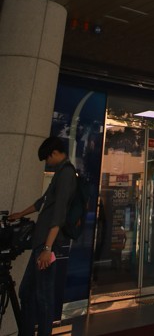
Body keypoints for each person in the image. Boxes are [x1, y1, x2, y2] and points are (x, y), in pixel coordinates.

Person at [8, 136, 77, 336]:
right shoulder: (60, 172)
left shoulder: (66, 174)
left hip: (48, 244)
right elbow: (43, 201)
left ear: (54, 153)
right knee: (27, 292)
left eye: (47, 158)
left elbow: (59, 213)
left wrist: (48, 248)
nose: (47, 162)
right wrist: (20, 214)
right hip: (42, 243)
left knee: (43, 297)